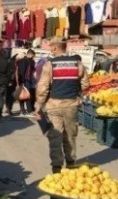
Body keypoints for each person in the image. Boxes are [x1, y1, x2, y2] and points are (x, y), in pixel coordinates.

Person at [36, 37, 90, 173]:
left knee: (55, 137)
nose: (50, 50)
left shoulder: (49, 65)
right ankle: (71, 163)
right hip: (71, 105)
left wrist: (38, 104)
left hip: (54, 106)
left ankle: (56, 168)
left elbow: (43, 88)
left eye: (50, 47)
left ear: (55, 47)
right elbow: (85, 84)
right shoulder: (77, 63)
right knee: (70, 136)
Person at [16, 49, 37, 116]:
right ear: (30, 54)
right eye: (33, 55)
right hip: (24, 80)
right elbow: (21, 72)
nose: (33, 57)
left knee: (27, 95)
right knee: (24, 95)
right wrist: (21, 81)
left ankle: (27, 110)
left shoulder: (31, 61)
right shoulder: (24, 61)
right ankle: (24, 110)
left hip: (29, 80)